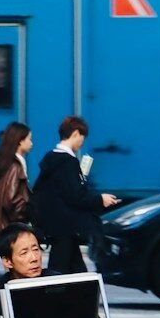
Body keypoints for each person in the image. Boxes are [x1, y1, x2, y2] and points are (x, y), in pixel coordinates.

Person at [28, 116, 120, 274]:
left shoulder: (52, 159)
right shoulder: (67, 162)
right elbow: (75, 196)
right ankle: (52, 297)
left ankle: (81, 297)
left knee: (74, 271)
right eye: (83, 137)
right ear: (76, 134)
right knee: (59, 272)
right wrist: (100, 199)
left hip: (57, 224)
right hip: (65, 227)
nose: (82, 142)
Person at [0, 121, 33, 241]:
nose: (31, 143)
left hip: (0, 228)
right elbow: (12, 199)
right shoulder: (15, 166)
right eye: (29, 139)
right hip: (13, 230)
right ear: (20, 141)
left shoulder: (1, 163)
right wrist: (26, 219)